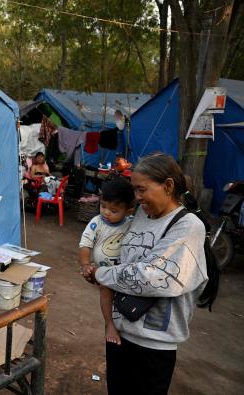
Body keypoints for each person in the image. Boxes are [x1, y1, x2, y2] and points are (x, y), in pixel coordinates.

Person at [91, 153, 219, 395]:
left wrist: (102, 274)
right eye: (134, 190)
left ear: (168, 186)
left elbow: (153, 277)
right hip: (120, 330)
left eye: (142, 190)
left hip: (153, 343)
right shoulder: (140, 215)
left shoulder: (188, 225)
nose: (137, 198)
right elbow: (120, 255)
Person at [79, 178, 135, 345]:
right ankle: (110, 324)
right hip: (105, 273)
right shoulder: (97, 223)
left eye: (114, 210)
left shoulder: (132, 224)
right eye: (103, 206)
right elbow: (85, 245)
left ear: (129, 210)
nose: (107, 213)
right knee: (106, 293)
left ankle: (124, 326)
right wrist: (85, 265)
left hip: (124, 272)